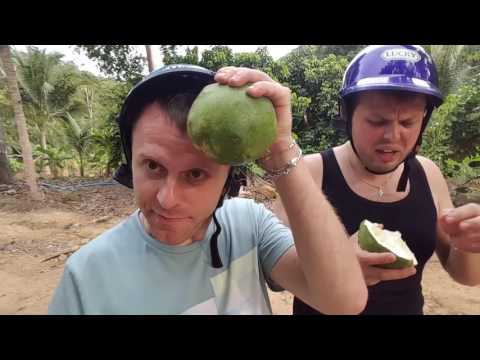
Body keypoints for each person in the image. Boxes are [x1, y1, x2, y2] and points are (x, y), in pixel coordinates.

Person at [48, 64, 367, 315]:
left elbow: (344, 301)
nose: (167, 200)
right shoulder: (87, 274)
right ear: (130, 159)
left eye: (196, 174)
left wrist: (281, 150)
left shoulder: (249, 228)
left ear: (229, 178)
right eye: (153, 167)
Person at [272, 45, 480, 315]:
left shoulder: (428, 174)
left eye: (407, 123)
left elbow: (465, 276)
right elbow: (274, 276)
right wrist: (333, 268)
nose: (392, 136)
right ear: (348, 115)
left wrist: (468, 245)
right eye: (376, 121)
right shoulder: (307, 172)